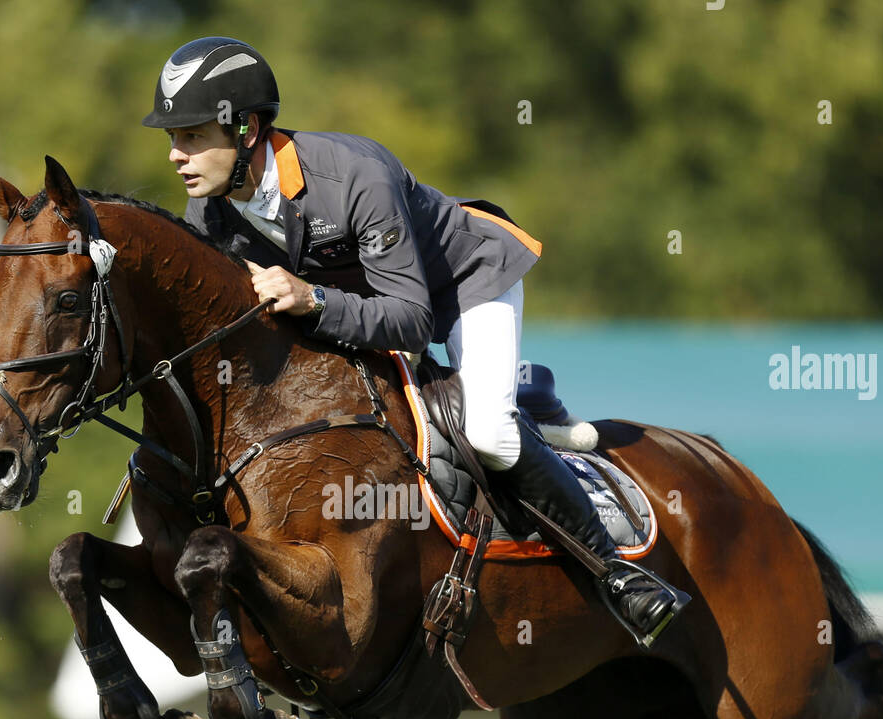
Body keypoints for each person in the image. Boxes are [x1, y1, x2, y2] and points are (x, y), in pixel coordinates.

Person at [143, 36, 687, 644]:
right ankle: (521, 390)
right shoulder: (210, 216)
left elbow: (408, 320)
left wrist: (313, 299)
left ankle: (616, 576)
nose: (176, 156)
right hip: (376, 305)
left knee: (488, 432)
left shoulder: (353, 176)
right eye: (173, 139)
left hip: (462, 286)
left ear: (245, 130)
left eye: (191, 136)